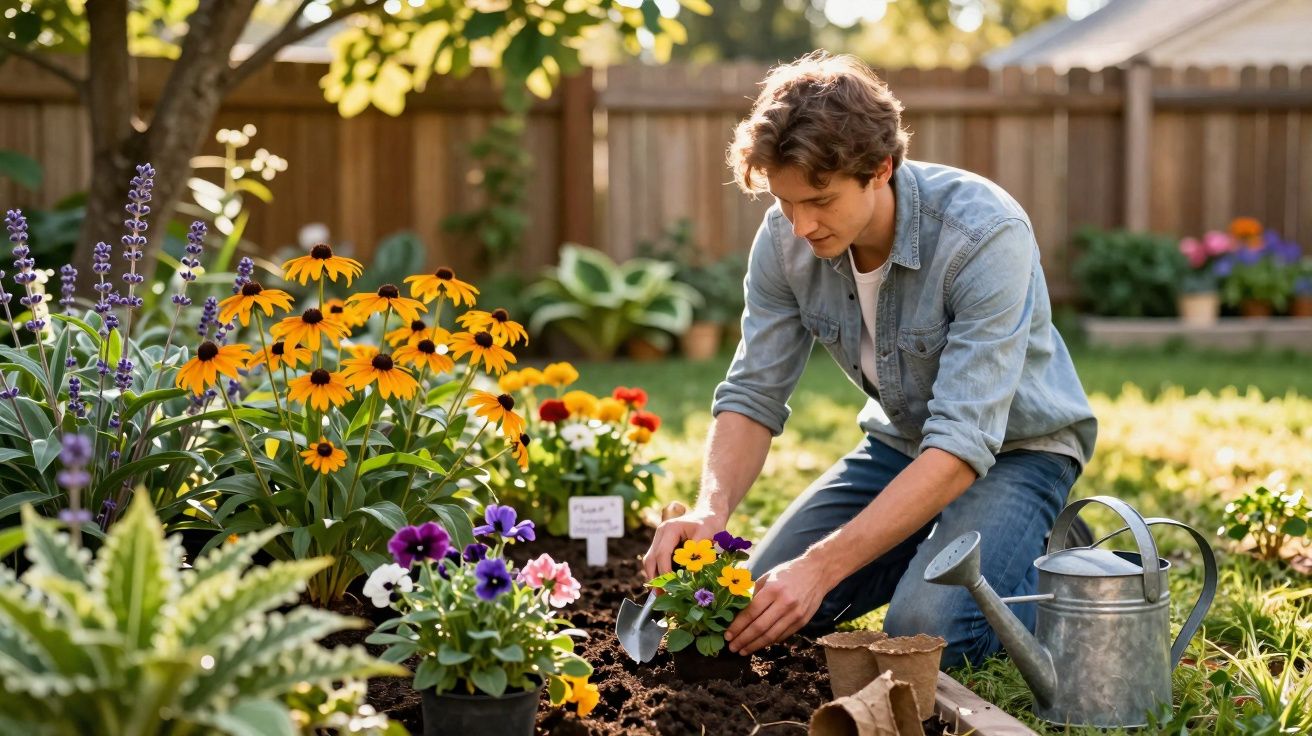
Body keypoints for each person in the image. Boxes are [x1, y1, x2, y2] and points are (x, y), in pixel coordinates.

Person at [640, 51, 1097, 669]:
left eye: (820, 201)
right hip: (900, 445)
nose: (800, 226)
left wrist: (825, 564)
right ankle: (933, 549)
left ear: (880, 168)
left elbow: (964, 442)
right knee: (753, 609)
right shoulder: (784, 237)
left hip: (1018, 452)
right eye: (786, 202)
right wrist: (710, 509)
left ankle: (1067, 572)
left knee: (924, 631)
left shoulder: (983, 236)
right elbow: (752, 393)